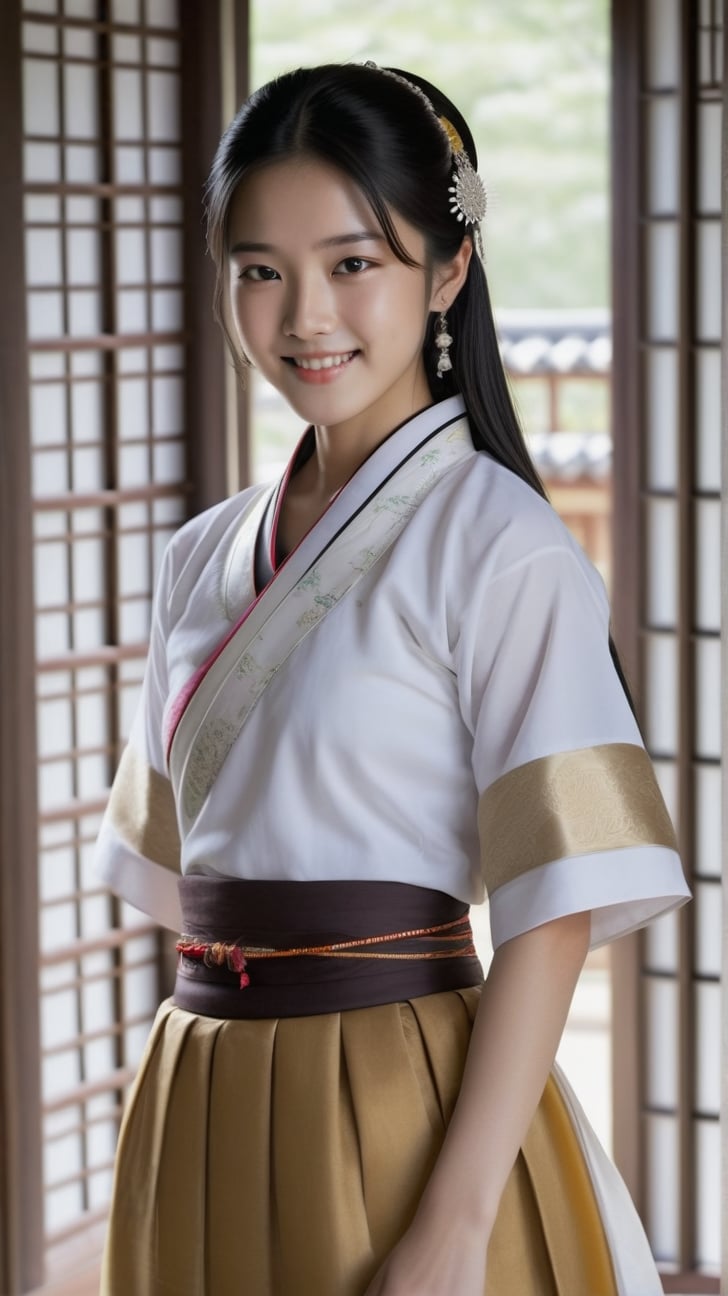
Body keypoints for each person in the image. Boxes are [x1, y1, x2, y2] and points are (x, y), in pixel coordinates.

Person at [95, 62, 690, 1296]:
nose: (305, 315)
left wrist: (456, 1224)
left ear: (447, 271)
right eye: (260, 270)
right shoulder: (199, 556)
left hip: (397, 1095)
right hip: (200, 1079)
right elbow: (177, 873)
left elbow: (556, 899)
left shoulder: (500, 542)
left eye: (352, 263)